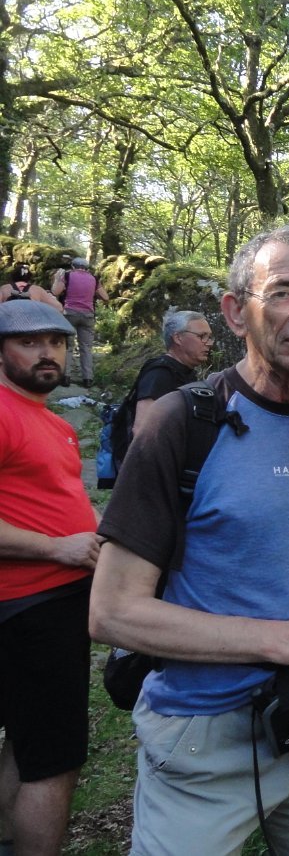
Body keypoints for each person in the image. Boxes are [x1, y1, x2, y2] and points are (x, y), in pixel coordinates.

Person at [89, 225, 289, 856]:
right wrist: (283, 640)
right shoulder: (183, 421)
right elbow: (112, 612)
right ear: (236, 312)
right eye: (282, 293)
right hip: (205, 729)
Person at [0, 300, 100, 856]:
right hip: (28, 606)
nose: (48, 353)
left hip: (56, 603)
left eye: (57, 343)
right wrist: (57, 547)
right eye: (29, 342)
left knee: (28, 741)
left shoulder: (54, 422)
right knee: (55, 759)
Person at [128, 310, 213, 438]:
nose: (209, 343)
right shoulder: (159, 374)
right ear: (178, 338)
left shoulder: (186, 372)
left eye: (209, 337)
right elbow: (141, 430)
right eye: (202, 336)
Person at [50, 257, 109, 388]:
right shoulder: (94, 279)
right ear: (86, 268)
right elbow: (105, 297)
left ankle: (66, 377)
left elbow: (55, 292)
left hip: (69, 313)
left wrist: (57, 278)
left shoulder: (67, 275)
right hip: (88, 315)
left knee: (68, 346)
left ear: (73, 266)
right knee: (86, 348)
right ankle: (88, 379)